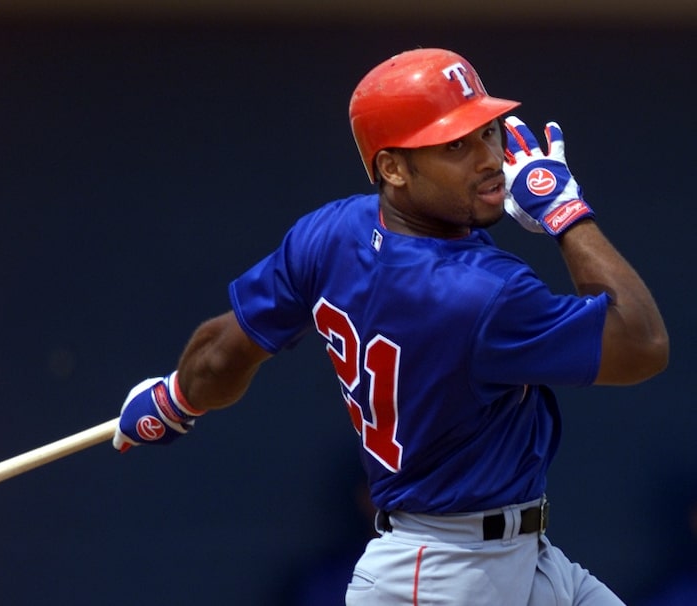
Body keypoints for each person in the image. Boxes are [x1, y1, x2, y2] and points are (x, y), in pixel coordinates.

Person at [112, 48, 669, 605]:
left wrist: (176, 397)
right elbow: (641, 345)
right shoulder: (480, 293)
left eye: (488, 131)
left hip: (520, 560)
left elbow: (219, 356)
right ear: (393, 168)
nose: (489, 158)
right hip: (445, 576)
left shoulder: (331, 232)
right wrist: (566, 213)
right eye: (455, 144)